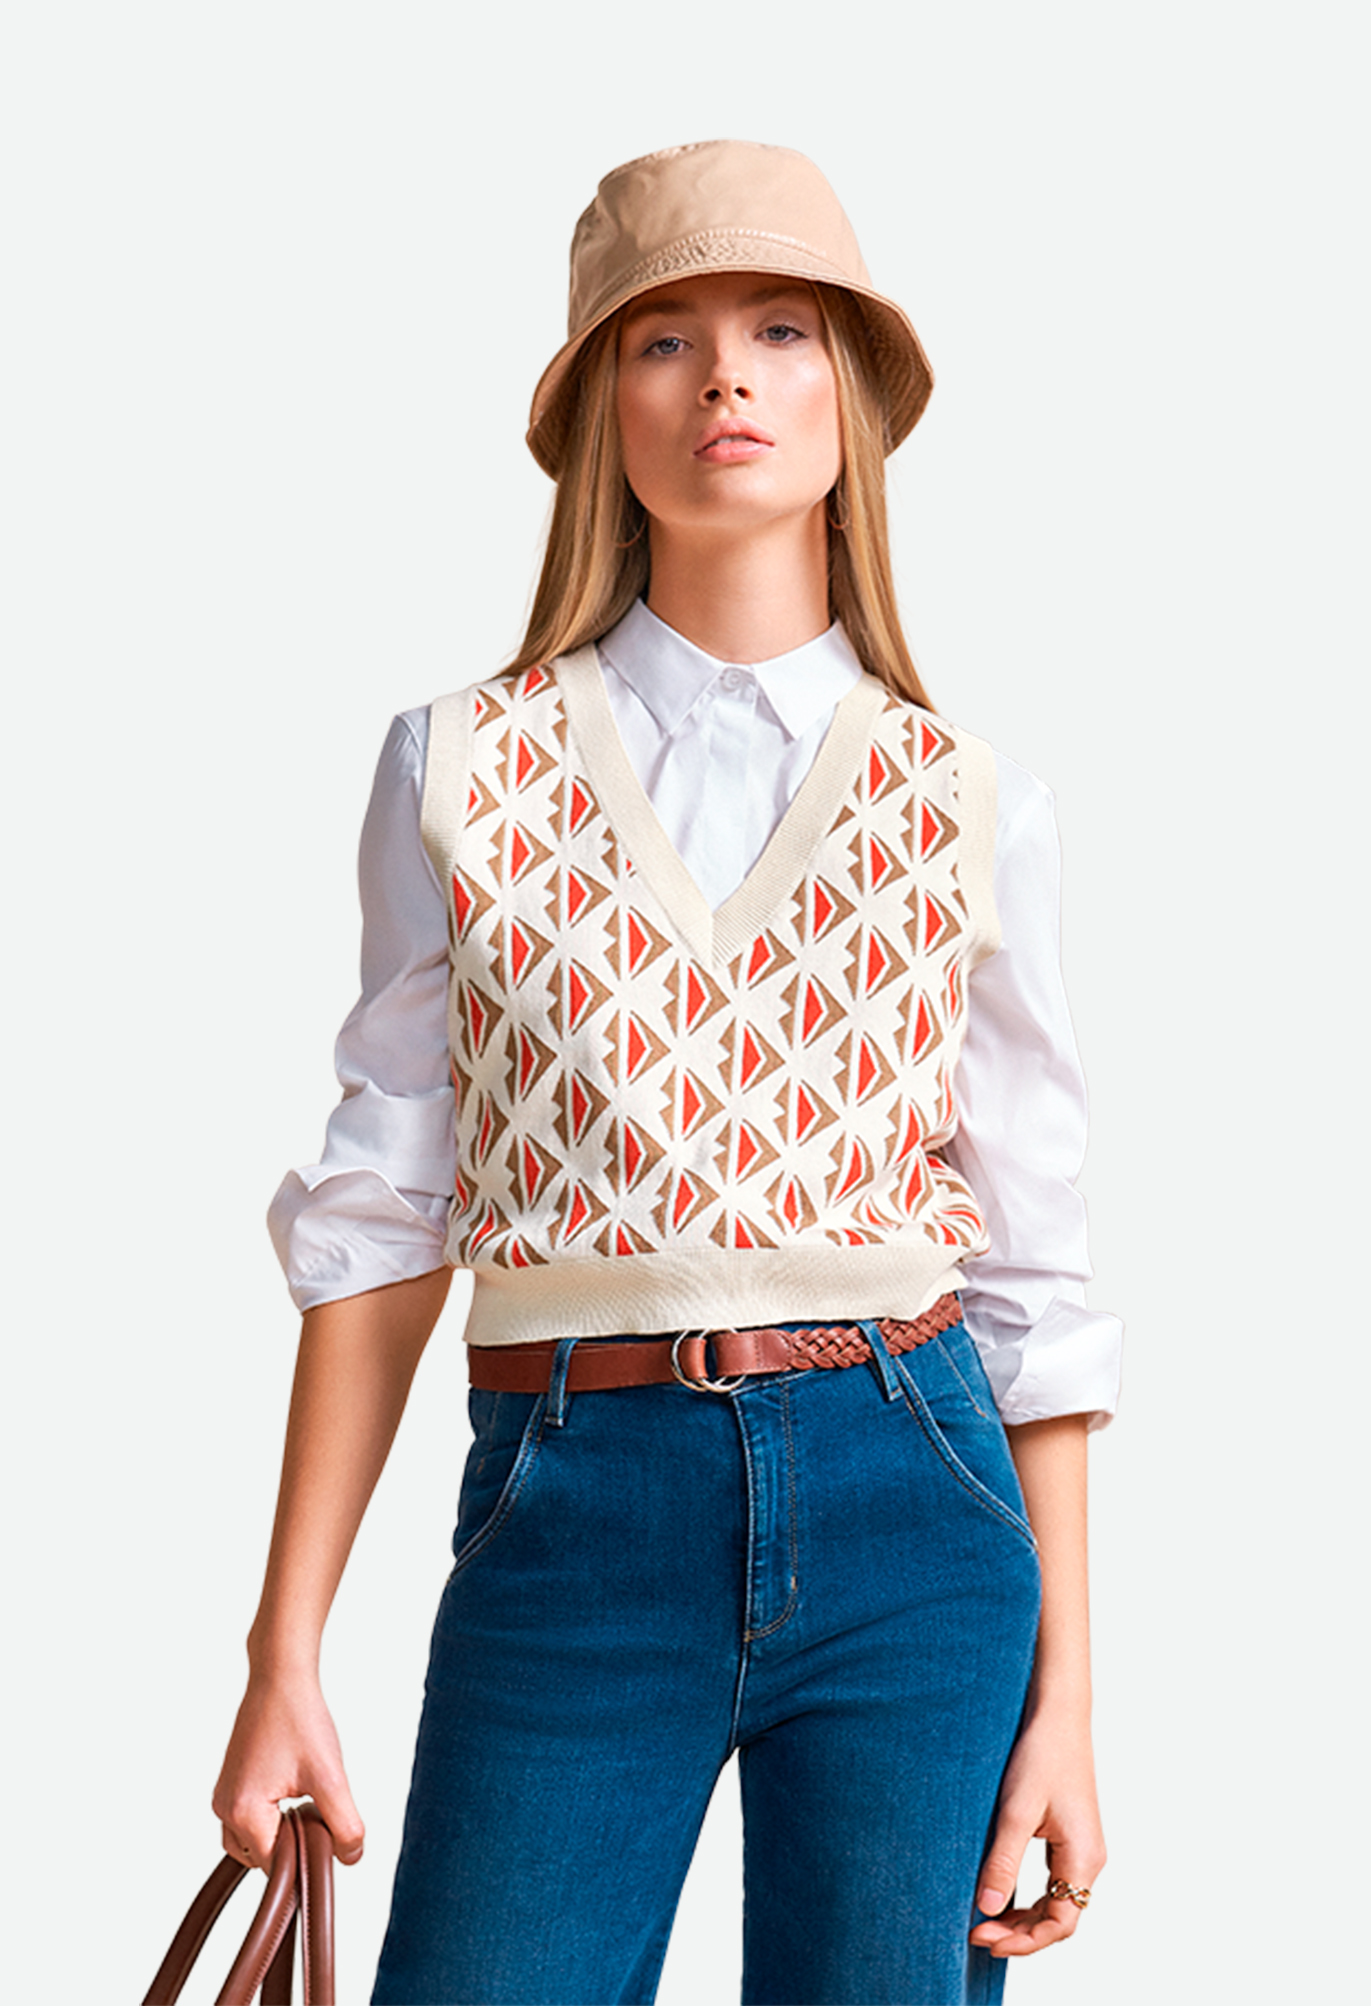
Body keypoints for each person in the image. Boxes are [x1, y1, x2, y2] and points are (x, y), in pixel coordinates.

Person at [213, 139, 1121, 2006]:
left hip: (915, 1499)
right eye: (664, 339)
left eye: (782, 330)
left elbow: (1033, 1273)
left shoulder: (971, 803)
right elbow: (384, 1214)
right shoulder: (457, 770)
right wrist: (283, 1644)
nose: (726, 379)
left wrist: (1073, 1703)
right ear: (596, 411)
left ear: (849, 396)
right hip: (574, 1498)